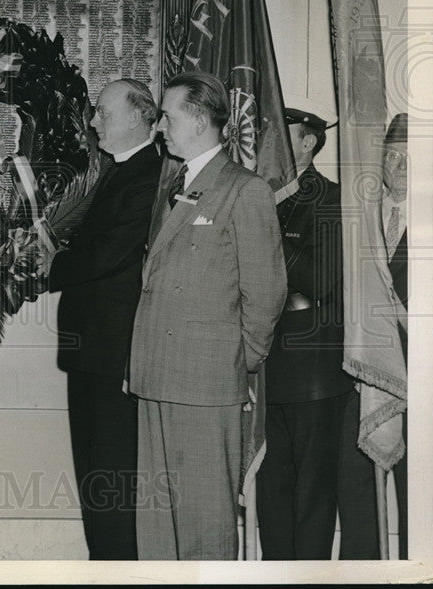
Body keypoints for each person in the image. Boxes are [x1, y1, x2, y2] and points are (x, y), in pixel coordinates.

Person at [127, 70, 286, 560]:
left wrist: (238, 361)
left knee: (204, 521)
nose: (160, 127)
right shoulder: (175, 182)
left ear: (198, 120)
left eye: (168, 117)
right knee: (156, 524)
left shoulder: (244, 189)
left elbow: (266, 291)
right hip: (156, 374)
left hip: (205, 381)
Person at [45, 78, 161, 560]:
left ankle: (118, 568)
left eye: (103, 113)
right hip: (94, 351)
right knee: (95, 477)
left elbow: (110, 253)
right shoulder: (124, 169)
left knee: (112, 480)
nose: (93, 123)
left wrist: (50, 266)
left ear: (136, 117)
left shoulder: (151, 172)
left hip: (116, 353)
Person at [255, 108, 353, 559]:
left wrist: (268, 229)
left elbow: (321, 281)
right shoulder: (258, 197)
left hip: (312, 368)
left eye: (281, 134)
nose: (266, 142)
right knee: (271, 491)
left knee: (312, 494)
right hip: (264, 363)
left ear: (309, 143)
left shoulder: (330, 199)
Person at [337, 112, 409, 559]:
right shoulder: (360, 218)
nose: (400, 165)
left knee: (420, 493)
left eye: (411, 157)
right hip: (363, 372)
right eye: (392, 155)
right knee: (356, 486)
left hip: (421, 371)